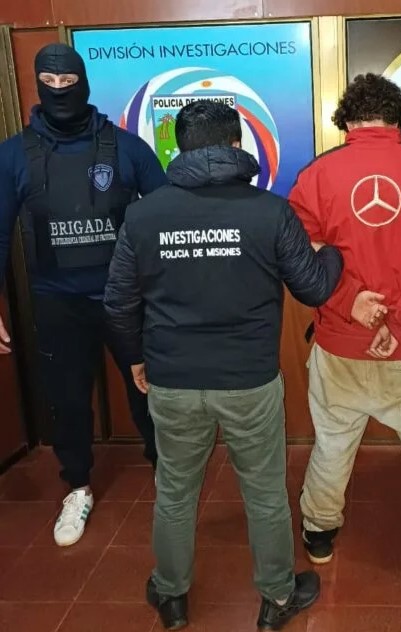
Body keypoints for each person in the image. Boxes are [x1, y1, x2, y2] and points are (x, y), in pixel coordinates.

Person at [104, 99, 343, 630]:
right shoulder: (269, 212)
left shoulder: (144, 215)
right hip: (248, 381)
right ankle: (277, 598)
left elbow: (118, 304)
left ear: (178, 147)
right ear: (238, 144)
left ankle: (171, 595)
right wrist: (332, 253)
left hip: (172, 378)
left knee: (174, 492)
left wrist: (135, 358)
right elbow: (314, 288)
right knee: (264, 494)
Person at [288, 73, 401, 571]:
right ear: (398, 120)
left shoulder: (315, 176)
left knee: (333, 445)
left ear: (346, 121)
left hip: (340, 344)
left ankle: (319, 532)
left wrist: (353, 304)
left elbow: (299, 257)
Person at [0, 43, 166, 547]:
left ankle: (169, 477)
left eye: (67, 82)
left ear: (84, 82)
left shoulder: (127, 148)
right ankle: (77, 486)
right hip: (57, 301)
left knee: (151, 395)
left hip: (127, 300)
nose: (58, 91)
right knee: (67, 401)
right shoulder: (13, 154)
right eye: (48, 84)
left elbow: (169, 218)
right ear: (36, 85)